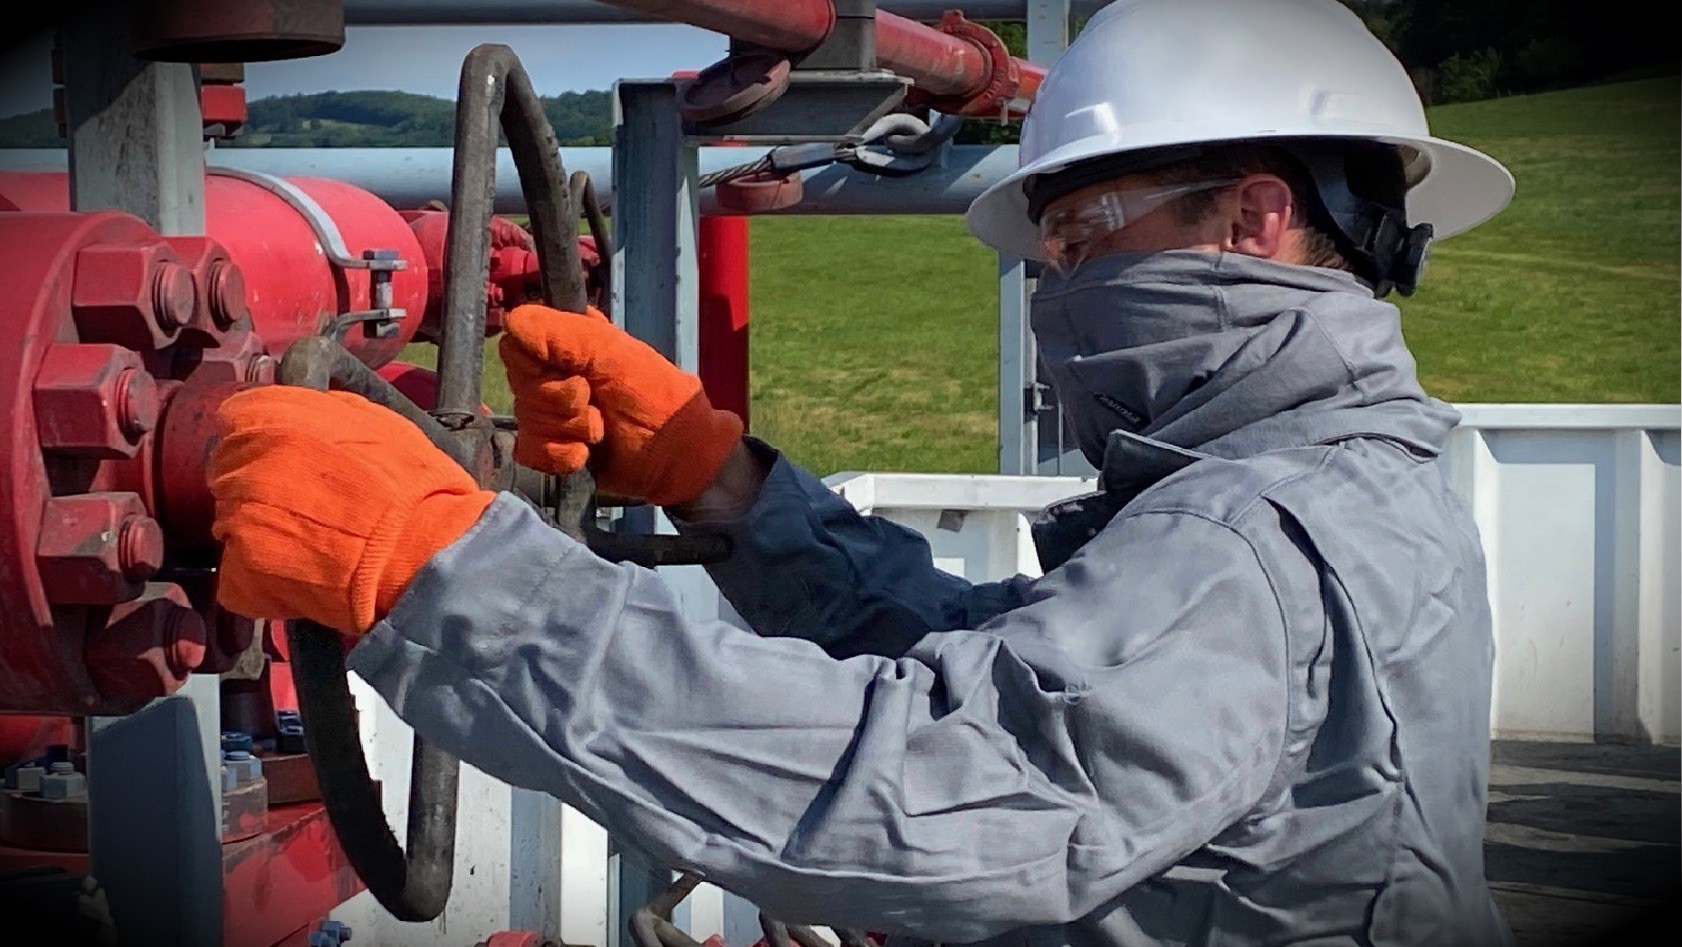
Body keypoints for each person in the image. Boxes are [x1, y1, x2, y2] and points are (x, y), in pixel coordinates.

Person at [207, 0, 1518, 943]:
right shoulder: (1341, 475)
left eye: (1072, 235)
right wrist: (723, 485)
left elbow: (934, 792)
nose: (1053, 284)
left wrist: (435, 576)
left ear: (1248, 216)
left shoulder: (1246, 535)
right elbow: (1021, 688)